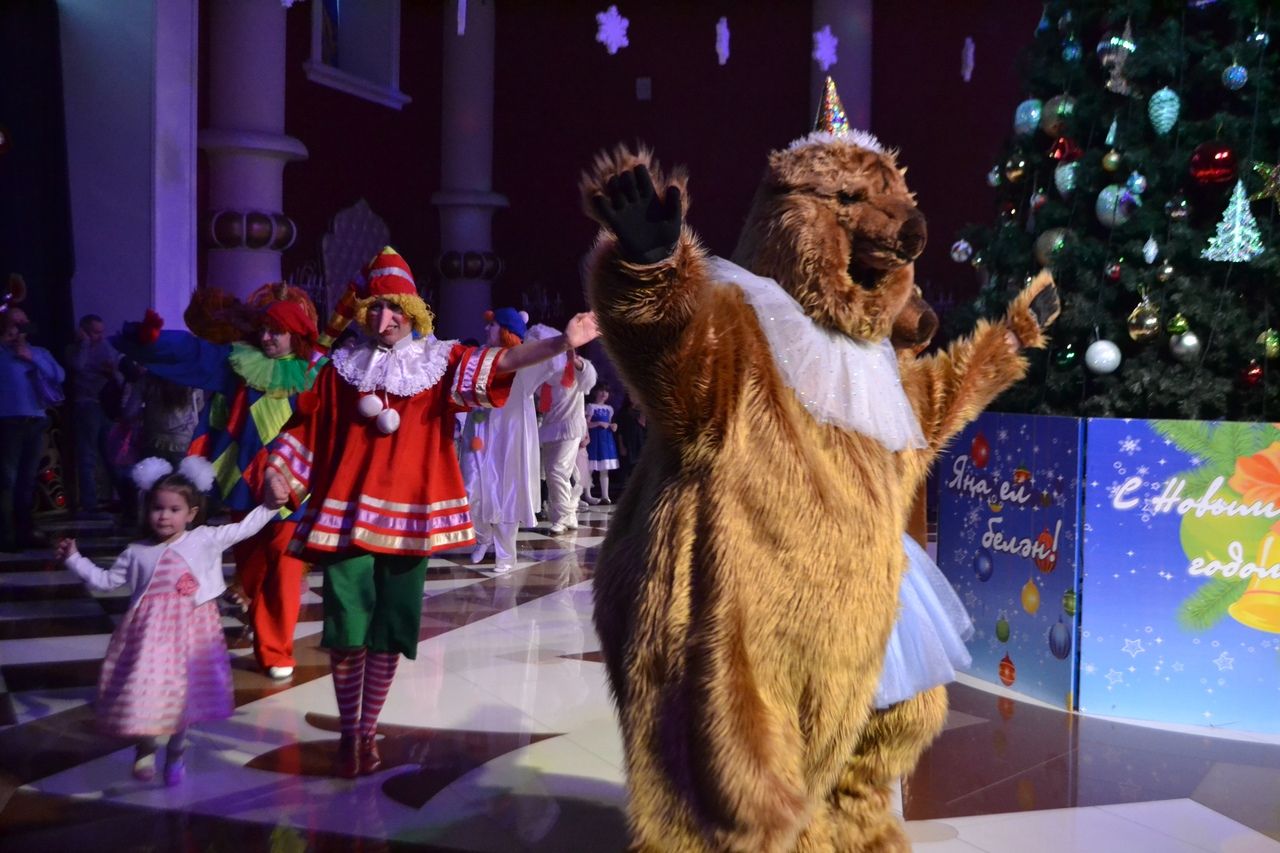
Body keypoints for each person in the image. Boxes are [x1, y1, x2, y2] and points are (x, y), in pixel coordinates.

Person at [266, 246, 599, 777]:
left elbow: (504, 361)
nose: (384, 318)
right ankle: (350, 734)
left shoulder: (437, 363)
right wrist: (280, 473)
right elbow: (305, 428)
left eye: (394, 308)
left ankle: (367, 730)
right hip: (346, 515)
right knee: (346, 628)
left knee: (391, 629)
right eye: (374, 308)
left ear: (413, 312)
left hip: (410, 520)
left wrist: (564, 342)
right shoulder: (340, 369)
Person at [114, 286, 323, 680]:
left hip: (296, 487)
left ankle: (275, 648)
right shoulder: (237, 362)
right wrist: (150, 341)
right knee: (254, 570)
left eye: (276, 331)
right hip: (245, 485)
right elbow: (191, 354)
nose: (266, 338)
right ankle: (264, 633)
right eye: (263, 329)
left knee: (286, 567)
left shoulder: (319, 371)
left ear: (296, 334)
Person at [55, 456, 288, 785]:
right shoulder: (136, 552)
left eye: (174, 509)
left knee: (184, 696)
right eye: (158, 508)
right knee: (150, 692)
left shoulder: (205, 538)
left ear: (191, 513)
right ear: (147, 510)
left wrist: (268, 506)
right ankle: (146, 748)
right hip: (150, 637)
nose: (164, 516)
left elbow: (243, 529)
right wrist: (74, 559)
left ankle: (176, 753)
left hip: (194, 636)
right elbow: (105, 581)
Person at [461, 309, 560, 573]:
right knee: (471, 489)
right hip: (479, 432)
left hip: (510, 433)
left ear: (505, 330)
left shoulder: (524, 364)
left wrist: (531, 336)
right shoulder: (478, 357)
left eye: (492, 325)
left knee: (507, 492)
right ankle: (482, 538)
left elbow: (553, 356)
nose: (486, 330)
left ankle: (506, 554)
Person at [0, 308, 65, 552]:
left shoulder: (39, 352)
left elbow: (59, 375)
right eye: (13, 323)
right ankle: (6, 535)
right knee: (7, 481)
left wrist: (30, 357)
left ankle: (25, 532)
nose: (19, 328)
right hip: (7, 423)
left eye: (23, 323)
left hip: (35, 421)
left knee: (27, 481)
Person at [533, 327, 596, 534]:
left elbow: (589, 378)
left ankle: (561, 516)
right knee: (557, 474)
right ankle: (569, 515)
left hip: (570, 427)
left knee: (557, 471)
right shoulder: (544, 373)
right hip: (550, 428)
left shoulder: (573, 367)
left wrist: (576, 359)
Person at [65, 314, 121, 516]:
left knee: (112, 454)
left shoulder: (106, 346)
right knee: (87, 455)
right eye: (95, 332)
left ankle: (119, 498)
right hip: (86, 405)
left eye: (101, 332)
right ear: (84, 330)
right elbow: (78, 365)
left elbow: (117, 372)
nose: (99, 336)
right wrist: (85, 344)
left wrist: (111, 372)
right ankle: (89, 504)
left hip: (106, 405)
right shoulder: (75, 349)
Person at [585, 383, 619, 504]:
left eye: (606, 391)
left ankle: (605, 495)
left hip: (606, 440)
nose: (604, 394)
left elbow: (609, 423)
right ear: (596, 392)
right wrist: (598, 423)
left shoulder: (609, 409)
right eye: (601, 391)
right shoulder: (591, 407)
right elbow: (585, 424)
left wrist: (613, 426)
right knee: (590, 468)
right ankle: (587, 495)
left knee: (605, 469)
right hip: (594, 439)